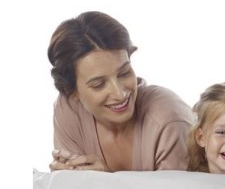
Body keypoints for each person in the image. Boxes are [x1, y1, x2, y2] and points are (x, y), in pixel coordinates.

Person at [47, 11, 192, 171]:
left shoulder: (169, 119)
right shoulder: (69, 111)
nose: (120, 94)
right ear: (71, 91)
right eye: (99, 84)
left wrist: (108, 181)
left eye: (124, 73)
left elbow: (176, 188)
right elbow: (74, 183)